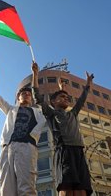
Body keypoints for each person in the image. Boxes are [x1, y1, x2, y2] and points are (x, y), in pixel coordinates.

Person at [32, 62, 93, 196]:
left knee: (82, 191)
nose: (66, 99)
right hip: (64, 151)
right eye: (61, 97)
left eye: (67, 97)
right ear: (53, 102)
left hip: (79, 151)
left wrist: (88, 85)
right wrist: (35, 75)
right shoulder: (51, 113)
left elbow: (81, 100)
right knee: (66, 189)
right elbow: (37, 96)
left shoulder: (72, 113)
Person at [0, 65, 46, 196]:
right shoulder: (11, 110)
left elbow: (43, 119)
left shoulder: (38, 112)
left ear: (31, 99)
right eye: (23, 94)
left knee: (26, 188)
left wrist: (35, 75)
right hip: (7, 148)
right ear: (18, 97)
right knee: (6, 189)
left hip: (26, 147)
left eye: (28, 94)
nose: (26, 95)